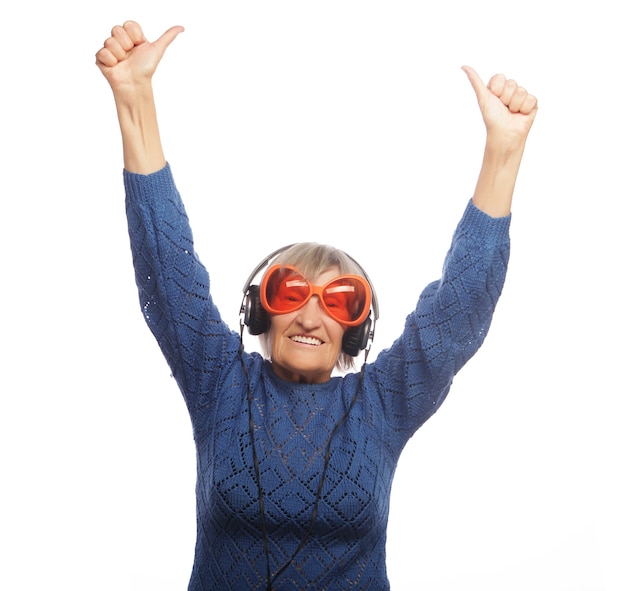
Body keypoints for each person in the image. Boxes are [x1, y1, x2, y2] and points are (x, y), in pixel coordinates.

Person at [96, 20, 537, 591]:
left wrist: (503, 152)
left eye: (339, 300)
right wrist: (134, 98)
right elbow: (168, 269)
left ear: (357, 327)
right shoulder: (219, 383)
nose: (310, 316)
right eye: (290, 292)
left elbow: (460, 309)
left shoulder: (382, 403)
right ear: (262, 311)